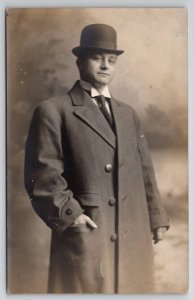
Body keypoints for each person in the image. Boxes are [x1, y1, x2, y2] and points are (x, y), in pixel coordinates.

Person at [24, 23, 169, 294]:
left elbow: (145, 169)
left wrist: (156, 217)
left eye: (111, 60)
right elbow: (43, 177)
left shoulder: (128, 114)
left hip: (131, 233)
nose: (105, 66)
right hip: (90, 231)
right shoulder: (54, 111)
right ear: (79, 62)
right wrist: (72, 217)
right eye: (97, 58)